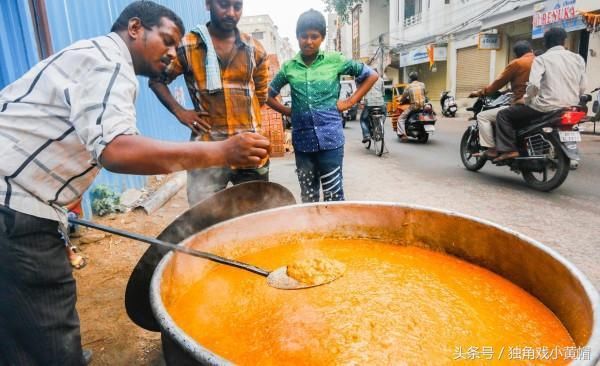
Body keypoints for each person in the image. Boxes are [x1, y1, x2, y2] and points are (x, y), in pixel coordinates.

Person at [0, 2, 268, 365]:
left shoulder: (93, 55)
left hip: (16, 199)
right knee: (50, 324)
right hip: (14, 209)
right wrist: (223, 151)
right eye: (168, 42)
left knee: (15, 319)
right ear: (136, 28)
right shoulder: (110, 63)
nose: (173, 55)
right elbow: (116, 150)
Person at [150, 0, 270, 206]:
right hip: (207, 150)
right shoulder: (187, 46)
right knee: (203, 216)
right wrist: (180, 112)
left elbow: (260, 96)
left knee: (255, 216)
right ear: (208, 5)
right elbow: (156, 80)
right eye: (223, 5)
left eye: (237, 6)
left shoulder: (255, 49)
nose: (231, 13)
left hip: (250, 150)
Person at [266, 9, 378, 202]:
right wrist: (288, 112)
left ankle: (334, 231)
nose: (309, 41)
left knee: (334, 194)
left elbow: (371, 75)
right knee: (308, 195)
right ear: (297, 37)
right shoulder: (289, 67)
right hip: (302, 142)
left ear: (322, 38)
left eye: (314, 36)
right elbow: (268, 94)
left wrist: (351, 102)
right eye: (304, 36)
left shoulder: (335, 61)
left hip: (331, 140)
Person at [494, 27, 586, 162]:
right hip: (570, 106)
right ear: (564, 41)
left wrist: (526, 99)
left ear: (546, 42)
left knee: (503, 115)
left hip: (545, 106)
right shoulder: (578, 58)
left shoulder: (542, 59)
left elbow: (534, 85)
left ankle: (509, 150)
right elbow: (583, 85)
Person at [468, 40, 535, 159]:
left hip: (525, 103)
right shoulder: (542, 61)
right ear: (531, 50)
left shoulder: (517, 63)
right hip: (546, 103)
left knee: (484, 116)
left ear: (516, 54)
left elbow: (497, 84)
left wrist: (480, 92)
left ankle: (493, 149)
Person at [397, 71, 426, 142]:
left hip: (414, 107)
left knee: (401, 118)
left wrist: (401, 100)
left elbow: (404, 97)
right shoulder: (422, 84)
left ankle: (403, 135)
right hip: (422, 106)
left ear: (410, 79)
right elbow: (424, 93)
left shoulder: (408, 86)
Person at [360, 72, 386, 143]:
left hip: (369, 103)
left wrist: (362, 102)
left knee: (363, 120)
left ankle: (366, 135)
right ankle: (379, 126)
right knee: (384, 114)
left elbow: (362, 92)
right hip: (380, 102)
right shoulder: (380, 79)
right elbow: (383, 92)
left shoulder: (365, 80)